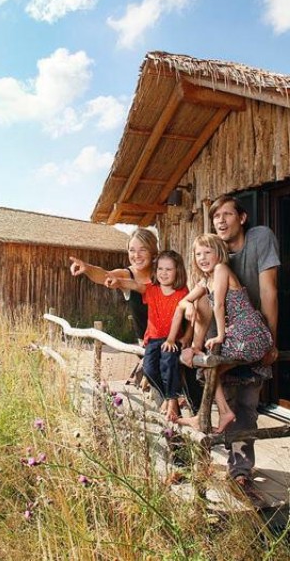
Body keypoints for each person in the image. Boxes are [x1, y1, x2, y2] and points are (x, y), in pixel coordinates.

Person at [181, 196, 280, 487]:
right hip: (221, 337)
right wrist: (188, 305)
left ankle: (241, 470)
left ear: (242, 218)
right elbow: (200, 300)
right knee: (219, 389)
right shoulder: (212, 252)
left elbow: (269, 292)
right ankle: (223, 462)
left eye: (227, 214)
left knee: (248, 402)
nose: (222, 221)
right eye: (216, 216)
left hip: (246, 334)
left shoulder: (260, 239)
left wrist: (270, 342)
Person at [172, 234, 273, 433]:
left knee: (206, 362)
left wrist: (219, 336)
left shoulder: (221, 269)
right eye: (198, 254)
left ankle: (213, 413)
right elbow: (182, 301)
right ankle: (223, 412)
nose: (202, 258)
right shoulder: (205, 280)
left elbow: (218, 304)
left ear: (218, 253)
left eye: (207, 252)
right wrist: (189, 306)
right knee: (207, 368)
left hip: (250, 332)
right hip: (240, 334)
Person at [105, 250, 190, 421]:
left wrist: (186, 336)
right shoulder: (152, 290)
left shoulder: (182, 292)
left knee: (168, 364)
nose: (163, 273)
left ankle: (172, 399)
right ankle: (166, 395)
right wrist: (119, 281)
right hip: (152, 339)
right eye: (160, 269)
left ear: (178, 271)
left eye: (169, 269)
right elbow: (135, 285)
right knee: (150, 369)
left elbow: (191, 314)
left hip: (172, 340)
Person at [70, 228, 158, 344]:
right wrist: (87, 268)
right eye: (132, 250)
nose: (136, 255)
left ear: (152, 252)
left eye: (143, 250)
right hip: (147, 348)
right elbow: (104, 275)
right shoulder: (126, 275)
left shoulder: (163, 272)